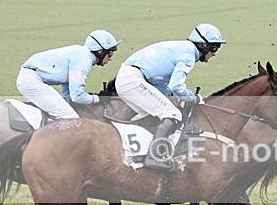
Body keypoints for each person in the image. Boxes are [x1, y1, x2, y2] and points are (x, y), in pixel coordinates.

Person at [115, 23, 225, 170]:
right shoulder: (188, 55)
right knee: (171, 114)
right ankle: (154, 157)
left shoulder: (184, 48)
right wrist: (194, 98)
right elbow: (177, 86)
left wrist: (175, 98)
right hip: (133, 80)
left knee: (157, 116)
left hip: (128, 79)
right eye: (214, 47)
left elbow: (163, 85)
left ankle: (140, 154)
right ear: (204, 44)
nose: (215, 53)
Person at [16, 30, 120, 119]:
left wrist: (94, 98)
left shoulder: (81, 54)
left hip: (30, 77)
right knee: (70, 117)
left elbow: (68, 95)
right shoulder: (83, 60)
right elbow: (77, 97)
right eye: (110, 54)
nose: (110, 58)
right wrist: (98, 98)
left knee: (65, 110)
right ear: (100, 51)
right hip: (31, 81)